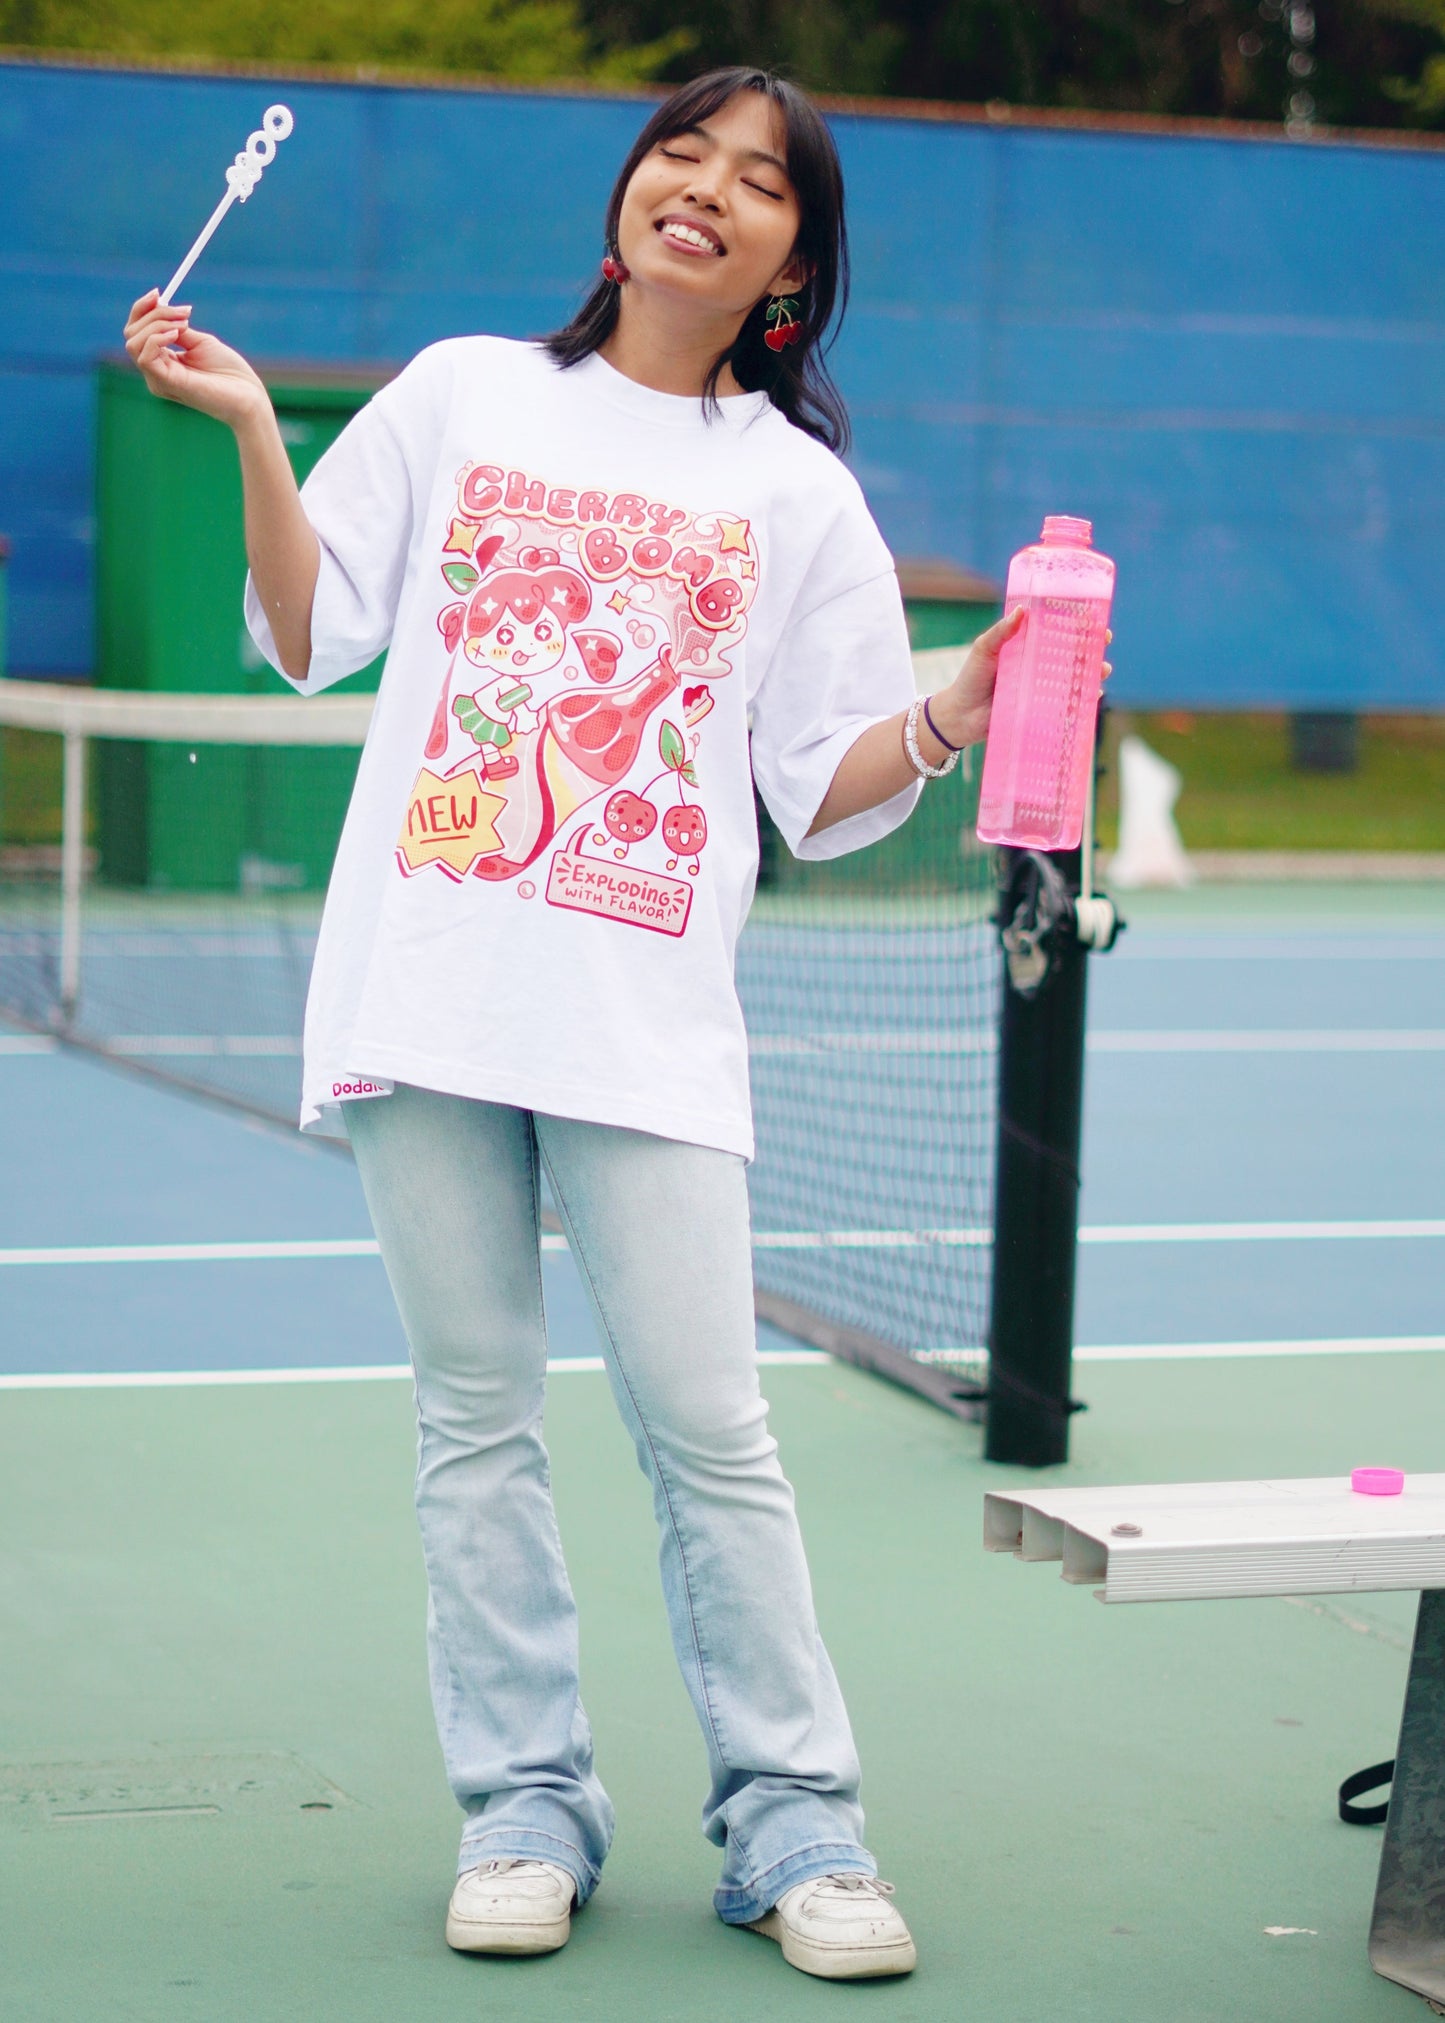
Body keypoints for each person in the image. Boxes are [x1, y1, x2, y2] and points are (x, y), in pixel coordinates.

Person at [122, 65, 1022, 1983]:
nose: (703, 189)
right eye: (680, 151)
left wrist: (958, 699)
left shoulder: (794, 490)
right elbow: (311, 629)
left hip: (641, 1023)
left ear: (793, 260)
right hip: (425, 990)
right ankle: (521, 1808)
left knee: (713, 1432)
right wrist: (256, 440)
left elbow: (827, 787)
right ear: (626, 191)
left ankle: (799, 1830)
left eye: (758, 180)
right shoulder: (463, 393)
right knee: (474, 1423)